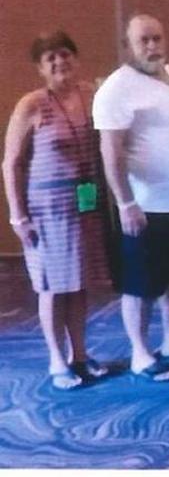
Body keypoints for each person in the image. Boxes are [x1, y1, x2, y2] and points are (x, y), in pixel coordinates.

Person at [93, 14, 169, 381]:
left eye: (157, 38)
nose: (153, 46)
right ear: (128, 47)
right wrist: (125, 202)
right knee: (140, 285)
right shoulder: (117, 88)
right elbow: (112, 152)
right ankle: (140, 352)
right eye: (144, 41)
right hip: (144, 207)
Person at [3, 31, 110, 390]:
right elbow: (12, 163)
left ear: (75, 58)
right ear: (40, 68)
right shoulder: (31, 104)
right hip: (46, 211)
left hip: (84, 205)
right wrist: (18, 215)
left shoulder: (91, 96)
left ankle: (80, 355)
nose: (59, 62)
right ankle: (56, 360)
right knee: (52, 288)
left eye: (64, 54)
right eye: (50, 58)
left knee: (78, 285)